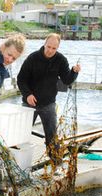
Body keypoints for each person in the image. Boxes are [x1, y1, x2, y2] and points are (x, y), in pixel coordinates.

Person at [17, 33, 81, 164]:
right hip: (29, 103)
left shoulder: (61, 60)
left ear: (57, 48)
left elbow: (67, 80)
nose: (50, 50)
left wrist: (74, 72)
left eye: (54, 48)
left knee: (52, 137)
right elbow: (21, 79)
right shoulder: (33, 58)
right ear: (44, 43)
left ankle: (56, 163)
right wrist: (27, 94)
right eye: (49, 46)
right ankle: (19, 162)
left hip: (48, 104)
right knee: (22, 135)